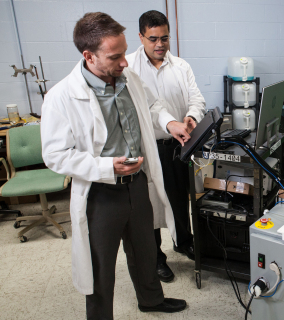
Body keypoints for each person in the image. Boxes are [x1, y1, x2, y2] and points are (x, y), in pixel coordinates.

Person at [40, 12, 190, 319]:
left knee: (145, 250)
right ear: (89, 56)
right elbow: (55, 154)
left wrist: (170, 122)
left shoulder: (127, 78)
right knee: (100, 266)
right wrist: (106, 167)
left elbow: (152, 104)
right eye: (115, 56)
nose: (125, 62)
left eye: (124, 53)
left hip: (138, 184)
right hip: (101, 193)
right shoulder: (61, 97)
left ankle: (151, 300)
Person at [127, 10, 206, 282]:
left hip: (176, 145)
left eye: (165, 38)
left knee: (177, 197)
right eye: (153, 39)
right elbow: (147, 108)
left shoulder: (181, 67)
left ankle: (183, 242)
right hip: (146, 148)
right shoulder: (128, 68)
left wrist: (192, 116)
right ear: (140, 37)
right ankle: (156, 258)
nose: (160, 44)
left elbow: (197, 99)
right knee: (149, 206)